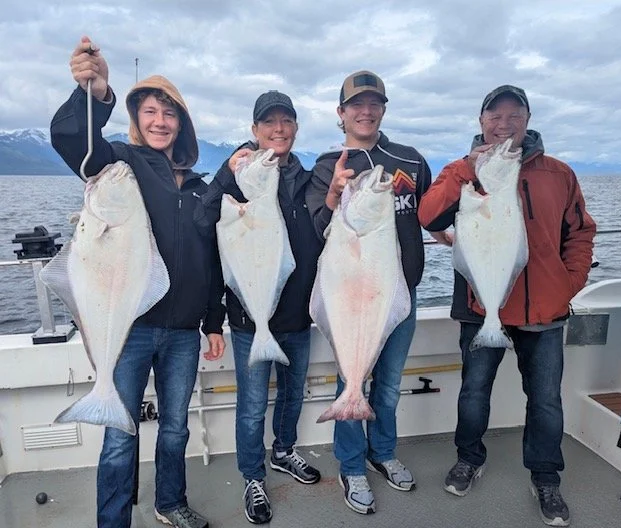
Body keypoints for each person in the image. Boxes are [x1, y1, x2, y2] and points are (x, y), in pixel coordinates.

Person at [50, 36, 226, 528]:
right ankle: (113, 521)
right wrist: (92, 93)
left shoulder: (198, 187)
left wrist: (214, 321)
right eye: (150, 111)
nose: (159, 122)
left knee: (175, 431)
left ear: (182, 124)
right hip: (129, 327)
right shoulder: (120, 164)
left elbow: (209, 260)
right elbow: (73, 143)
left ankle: (169, 504)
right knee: (119, 438)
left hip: (184, 333)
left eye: (169, 114)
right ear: (136, 117)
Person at [417, 84, 596, 527]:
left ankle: (546, 478)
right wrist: (465, 169)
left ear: (528, 119)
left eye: (514, 115)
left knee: (546, 401)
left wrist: (569, 283)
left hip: (544, 310)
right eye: (494, 116)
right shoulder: (461, 171)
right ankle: (468, 459)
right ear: (481, 122)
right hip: (483, 305)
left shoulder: (558, 173)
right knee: (474, 391)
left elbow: (580, 232)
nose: (504, 124)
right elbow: (428, 216)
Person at [305, 70, 432, 515]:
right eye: (356, 104)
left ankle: (383, 451)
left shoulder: (410, 160)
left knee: (391, 386)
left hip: (397, 296)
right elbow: (318, 230)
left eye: (374, 103)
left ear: (383, 109)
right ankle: (352, 464)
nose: (365, 110)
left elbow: (428, 212)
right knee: (350, 379)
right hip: (349, 296)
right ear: (341, 114)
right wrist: (335, 195)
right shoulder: (327, 165)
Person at [194, 90, 323, 524]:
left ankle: (284, 451)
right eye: (269, 123)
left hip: (297, 317)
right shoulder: (237, 181)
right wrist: (228, 177)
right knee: (251, 406)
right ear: (254, 131)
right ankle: (252, 476)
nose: (278, 129)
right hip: (252, 317)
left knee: (291, 395)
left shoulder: (307, 182)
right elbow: (203, 221)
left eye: (286, 121)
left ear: (296, 129)